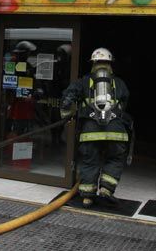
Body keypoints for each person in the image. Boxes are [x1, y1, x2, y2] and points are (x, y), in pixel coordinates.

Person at [60, 47, 130, 208]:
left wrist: (65, 116)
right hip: (116, 131)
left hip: (90, 131)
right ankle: (106, 189)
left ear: (93, 63)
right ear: (110, 64)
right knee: (114, 159)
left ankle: (87, 197)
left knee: (89, 162)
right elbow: (124, 104)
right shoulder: (119, 83)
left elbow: (67, 100)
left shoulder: (83, 81)